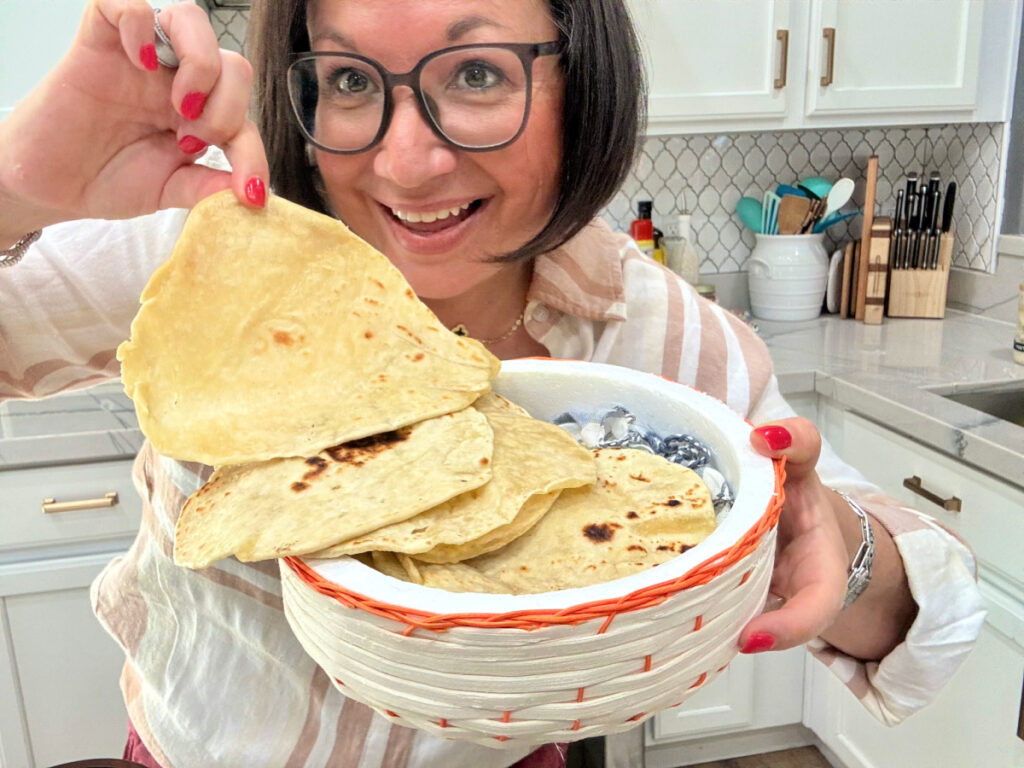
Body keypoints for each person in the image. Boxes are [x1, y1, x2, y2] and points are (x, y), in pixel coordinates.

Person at [0, 1, 985, 766]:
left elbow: (928, 620)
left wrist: (846, 556)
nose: (406, 158)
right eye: (348, 78)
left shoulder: (650, 339)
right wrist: (17, 187)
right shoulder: (206, 268)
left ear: (582, 76)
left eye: (474, 72)